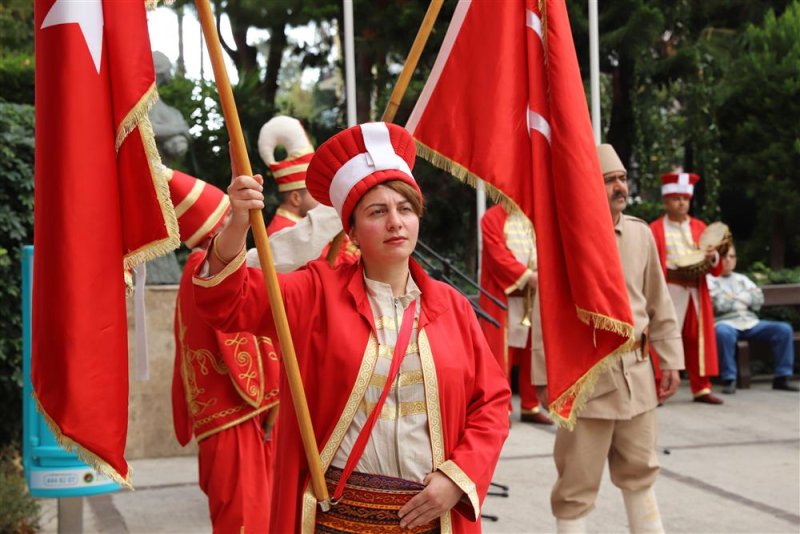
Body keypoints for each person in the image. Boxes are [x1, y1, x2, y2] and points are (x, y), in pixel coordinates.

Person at [194, 122, 511, 532]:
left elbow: (493, 404)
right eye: (377, 212)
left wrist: (457, 477)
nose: (396, 222)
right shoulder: (315, 293)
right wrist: (236, 224)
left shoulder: (452, 307)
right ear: (352, 231)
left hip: (433, 519)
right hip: (337, 520)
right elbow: (226, 303)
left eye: (406, 209)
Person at [550, 145, 684, 533]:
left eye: (622, 178)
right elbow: (549, 314)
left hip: (638, 378)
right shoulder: (566, 239)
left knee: (641, 471)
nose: (620, 186)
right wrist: (545, 377)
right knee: (576, 483)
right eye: (610, 180)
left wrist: (671, 358)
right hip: (587, 382)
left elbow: (659, 303)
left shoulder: (641, 234)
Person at [167, 169, 280, 533]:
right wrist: (277, 390)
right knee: (247, 520)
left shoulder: (195, 270)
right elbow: (239, 332)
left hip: (230, 418)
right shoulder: (207, 271)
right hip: (236, 415)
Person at [650, 172, 724, 404]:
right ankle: (658, 389)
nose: (682, 203)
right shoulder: (655, 229)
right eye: (676, 198)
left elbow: (716, 267)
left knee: (696, 339)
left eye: (685, 198)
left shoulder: (701, 227)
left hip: (695, 291)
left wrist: (713, 257)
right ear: (665, 201)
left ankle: (701, 387)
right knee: (664, 338)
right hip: (669, 288)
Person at [479, 203, 551, 424]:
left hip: (533, 295)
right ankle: (501, 409)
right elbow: (498, 256)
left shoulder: (536, 216)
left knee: (534, 351)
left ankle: (531, 405)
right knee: (502, 355)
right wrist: (528, 276)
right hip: (505, 295)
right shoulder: (491, 218)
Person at [259, 115, 359, 266]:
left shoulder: (301, 223)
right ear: (295, 198)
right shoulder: (282, 231)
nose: (323, 198)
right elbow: (333, 269)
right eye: (315, 194)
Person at [707, 245, 799, 393]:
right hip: (725, 322)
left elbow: (758, 300)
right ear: (716, 258)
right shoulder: (709, 280)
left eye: (732, 256)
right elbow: (719, 305)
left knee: (784, 329)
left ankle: (782, 378)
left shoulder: (742, 278)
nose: (728, 260)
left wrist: (732, 297)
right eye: (725, 257)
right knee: (723, 333)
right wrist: (744, 296)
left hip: (750, 322)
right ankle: (729, 379)